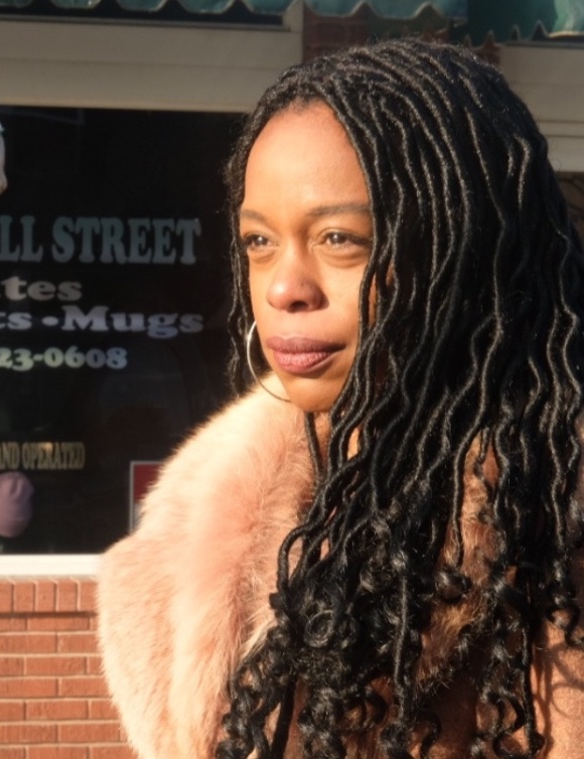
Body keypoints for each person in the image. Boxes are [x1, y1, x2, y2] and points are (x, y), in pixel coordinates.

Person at [97, 38, 584, 758]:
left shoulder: (555, 534)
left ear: (464, 251)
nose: (284, 287)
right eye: (259, 242)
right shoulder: (195, 541)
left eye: (338, 238)